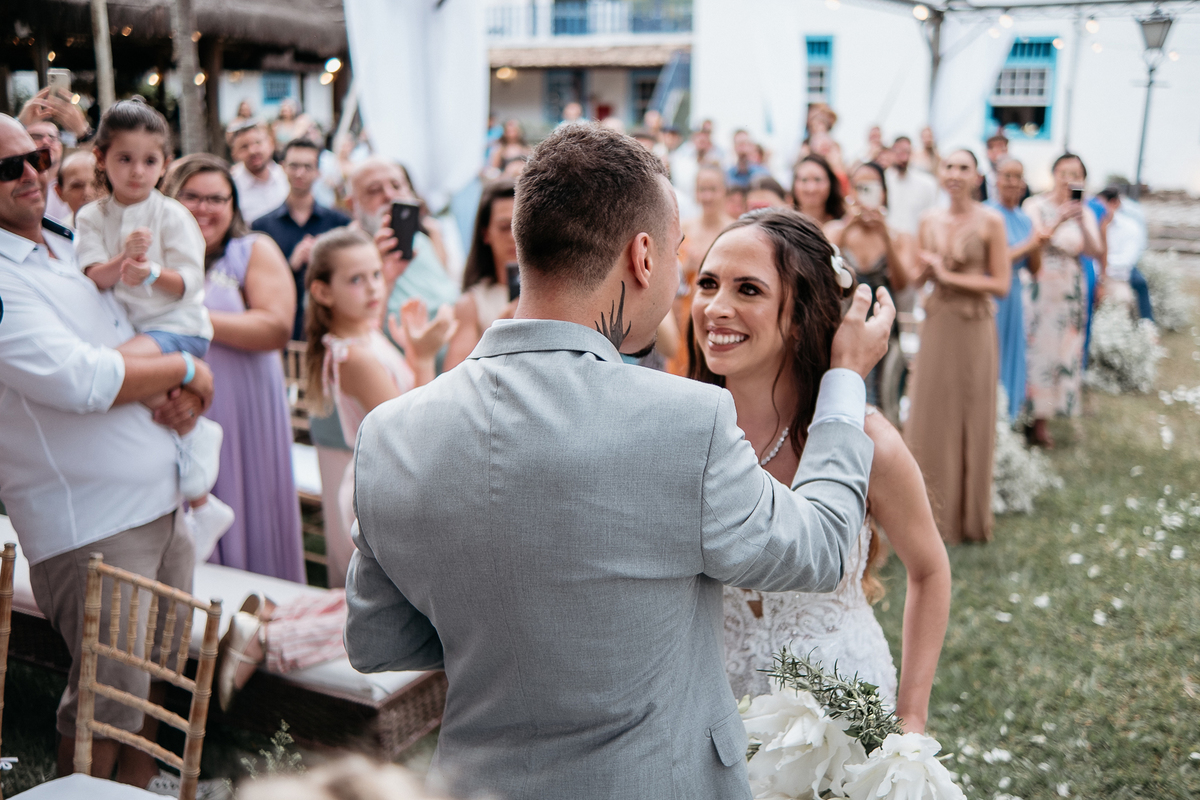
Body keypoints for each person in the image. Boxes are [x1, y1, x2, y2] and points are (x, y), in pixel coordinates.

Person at [343, 123, 894, 800]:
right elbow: (825, 546)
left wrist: (507, 633)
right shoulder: (686, 421)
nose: (682, 282)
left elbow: (376, 641)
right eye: (679, 255)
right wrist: (845, 380)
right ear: (642, 256)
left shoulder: (388, 433)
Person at [0, 113, 212, 789]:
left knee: (153, 684)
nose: (30, 174)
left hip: (160, 502)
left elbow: (139, 332)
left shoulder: (66, 241)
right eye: (7, 167)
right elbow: (81, 380)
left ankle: (138, 792)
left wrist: (187, 389)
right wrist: (187, 371)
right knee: (104, 703)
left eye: (36, 157)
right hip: (92, 522)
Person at [689, 208, 949, 728]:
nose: (716, 308)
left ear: (801, 316)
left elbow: (930, 570)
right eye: (708, 284)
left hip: (842, 717)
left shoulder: (868, 439)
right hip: (714, 716)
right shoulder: (683, 431)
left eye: (748, 290)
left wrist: (912, 719)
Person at [75, 98, 232, 547]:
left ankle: (195, 443)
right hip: (133, 329)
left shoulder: (173, 215)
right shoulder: (91, 216)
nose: (137, 171)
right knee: (150, 398)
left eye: (149, 161)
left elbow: (191, 283)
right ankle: (200, 489)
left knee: (114, 369)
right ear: (101, 158)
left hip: (178, 326)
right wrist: (123, 260)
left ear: (165, 163)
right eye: (125, 159)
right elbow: (94, 276)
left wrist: (150, 273)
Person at [163, 154, 305, 583]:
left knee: (249, 501)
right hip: (177, 408)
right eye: (191, 196)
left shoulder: (252, 250)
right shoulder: (154, 259)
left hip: (244, 407)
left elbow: (275, 327)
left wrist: (192, 320)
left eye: (216, 199)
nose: (204, 208)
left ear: (233, 205)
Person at [300, 227, 455, 589]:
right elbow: (412, 431)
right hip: (379, 490)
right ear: (323, 292)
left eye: (375, 274)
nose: (373, 287)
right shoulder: (354, 358)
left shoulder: (364, 333)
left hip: (382, 480)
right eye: (356, 279)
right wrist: (424, 357)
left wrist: (413, 349)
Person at [905, 149, 1011, 545]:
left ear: (977, 176)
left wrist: (948, 276)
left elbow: (1001, 284)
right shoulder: (927, 219)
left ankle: (967, 519)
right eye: (948, 166)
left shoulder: (991, 221)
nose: (954, 174)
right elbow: (916, 279)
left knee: (970, 413)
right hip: (937, 323)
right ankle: (926, 516)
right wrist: (924, 270)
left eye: (963, 168)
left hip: (973, 326)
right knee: (929, 413)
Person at [1021, 153, 1102, 446]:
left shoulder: (1085, 212)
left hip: (1069, 288)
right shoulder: (1034, 205)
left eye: (1075, 174)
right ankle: (1021, 410)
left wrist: (1080, 221)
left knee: (1059, 352)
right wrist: (1059, 219)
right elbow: (1034, 241)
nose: (1069, 179)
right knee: (1034, 347)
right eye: (1064, 172)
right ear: (1053, 175)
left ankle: (1042, 419)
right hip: (1039, 282)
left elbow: (1094, 250)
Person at [827, 162, 917, 407]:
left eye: (872, 187)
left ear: (883, 193)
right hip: (841, 323)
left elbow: (902, 283)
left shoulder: (899, 235)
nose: (864, 193)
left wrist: (885, 234)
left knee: (882, 395)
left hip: (882, 322)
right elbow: (824, 269)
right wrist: (849, 223)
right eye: (859, 187)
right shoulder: (837, 229)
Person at [252, 138, 352, 340]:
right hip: (282, 330)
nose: (300, 173)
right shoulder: (261, 226)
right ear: (283, 168)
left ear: (318, 172)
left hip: (331, 329)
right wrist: (290, 264)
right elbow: (256, 285)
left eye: (307, 167)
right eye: (294, 166)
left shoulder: (340, 223)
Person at [987, 157, 1042, 422]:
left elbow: (1034, 268)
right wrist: (1029, 245)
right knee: (990, 352)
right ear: (997, 180)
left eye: (1017, 176)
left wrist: (1038, 245)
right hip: (990, 294)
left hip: (1015, 294)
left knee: (1012, 353)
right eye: (1007, 176)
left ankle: (1008, 414)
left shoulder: (1025, 220)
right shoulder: (986, 215)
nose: (1012, 182)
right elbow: (993, 261)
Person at [444, 179, 518, 370]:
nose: (513, 236)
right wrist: (495, 336)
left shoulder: (558, 290)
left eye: (521, 225)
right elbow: (454, 376)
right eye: (504, 227)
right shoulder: (472, 304)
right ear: (486, 234)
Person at [1096, 187, 1151, 321]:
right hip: (1099, 274)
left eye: (1100, 205)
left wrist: (1101, 264)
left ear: (1114, 203)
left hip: (1116, 275)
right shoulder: (1093, 223)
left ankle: (1147, 322)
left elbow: (1126, 261)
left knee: (1137, 286)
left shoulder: (1130, 225)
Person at [229, 121, 290, 223]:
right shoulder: (231, 185)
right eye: (244, 146)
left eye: (258, 143)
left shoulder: (286, 176)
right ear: (234, 154)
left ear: (271, 144)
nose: (253, 151)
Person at [885, 136, 939, 236]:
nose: (903, 157)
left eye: (906, 152)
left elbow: (931, 216)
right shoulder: (882, 181)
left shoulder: (927, 183)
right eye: (899, 152)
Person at [24, 120, 75, 224]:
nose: (46, 142)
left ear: (60, 147)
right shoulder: (16, 185)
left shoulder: (74, 183)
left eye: (52, 138)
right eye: (37, 137)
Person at [792, 154, 845, 229]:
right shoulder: (784, 225)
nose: (811, 188)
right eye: (804, 180)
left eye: (817, 179)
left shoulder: (845, 223)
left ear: (830, 182)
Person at [51, 150, 97, 226]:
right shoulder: (59, 232)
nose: (88, 193)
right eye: (77, 186)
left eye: (96, 184)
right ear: (59, 192)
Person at [980, 133, 1008, 203]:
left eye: (1001, 147)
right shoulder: (980, 181)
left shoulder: (1017, 182)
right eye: (991, 148)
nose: (996, 152)